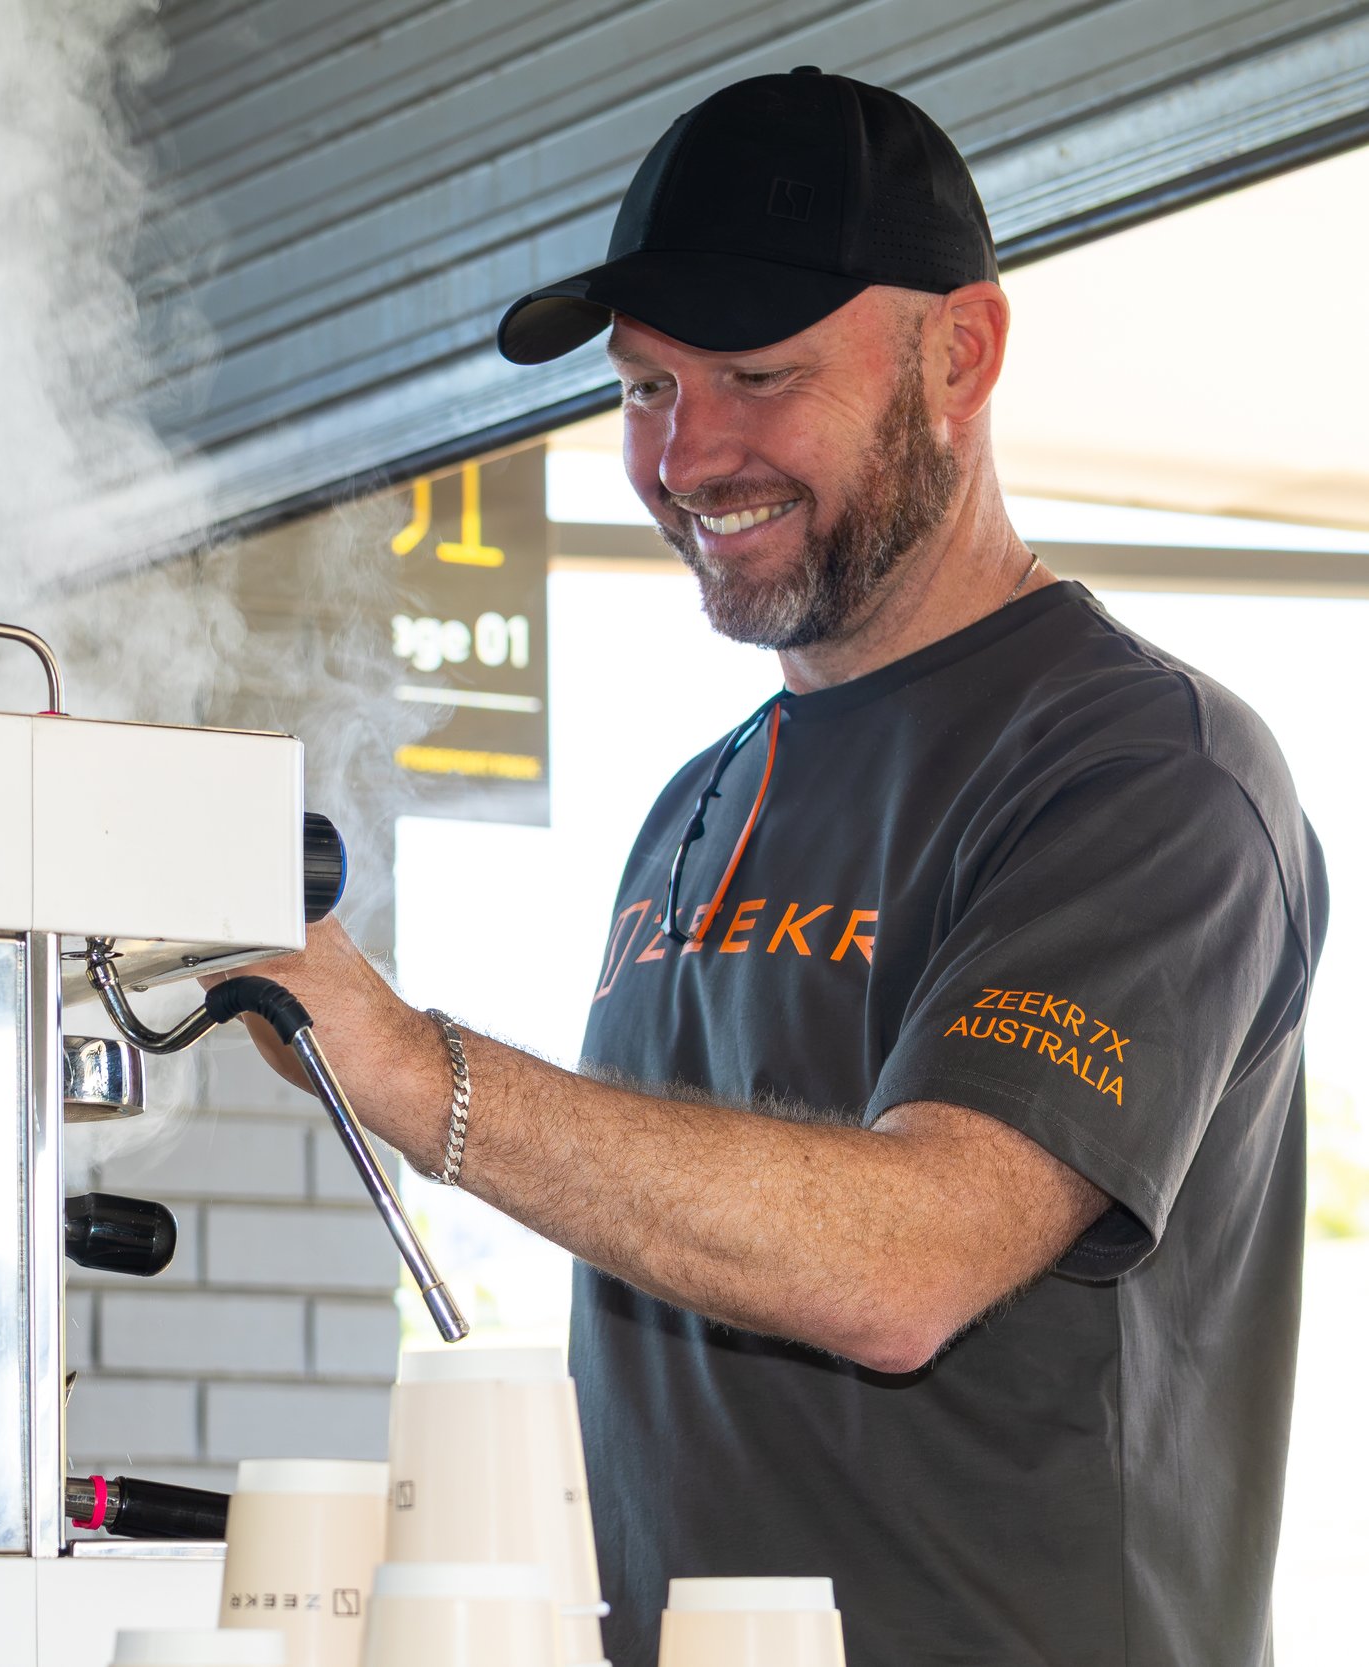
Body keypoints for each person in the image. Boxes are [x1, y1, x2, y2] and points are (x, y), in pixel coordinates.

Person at [229, 68, 1327, 1667]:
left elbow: (906, 1263)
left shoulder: (1145, 773)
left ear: (961, 355)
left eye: (754, 373)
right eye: (644, 391)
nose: (688, 456)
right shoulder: (698, 802)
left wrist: (409, 1067)